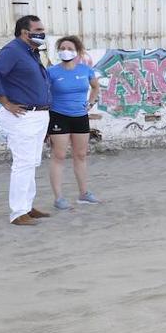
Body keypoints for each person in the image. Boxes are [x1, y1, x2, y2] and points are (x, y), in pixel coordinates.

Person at [0, 15, 53, 226]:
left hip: (38, 115)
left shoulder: (32, 53)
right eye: (38, 29)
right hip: (22, 116)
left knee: (32, 162)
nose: (42, 32)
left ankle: (27, 206)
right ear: (24, 31)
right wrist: (5, 103)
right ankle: (18, 213)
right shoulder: (12, 51)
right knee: (23, 164)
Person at [47, 36, 101, 209]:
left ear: (77, 51)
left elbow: (95, 87)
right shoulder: (52, 72)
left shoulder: (85, 70)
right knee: (59, 156)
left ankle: (84, 194)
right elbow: (43, 93)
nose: (65, 51)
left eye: (69, 48)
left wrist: (90, 103)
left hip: (80, 117)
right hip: (58, 116)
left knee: (80, 155)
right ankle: (59, 198)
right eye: (62, 48)